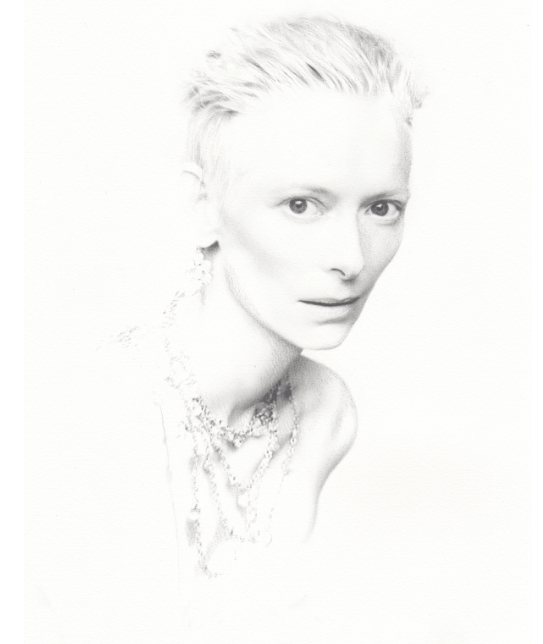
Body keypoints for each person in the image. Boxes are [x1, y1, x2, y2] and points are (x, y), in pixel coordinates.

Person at [28, 14, 424, 643]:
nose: (351, 257)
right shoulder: (102, 411)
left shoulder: (324, 412)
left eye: (382, 208)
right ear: (203, 205)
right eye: (301, 205)